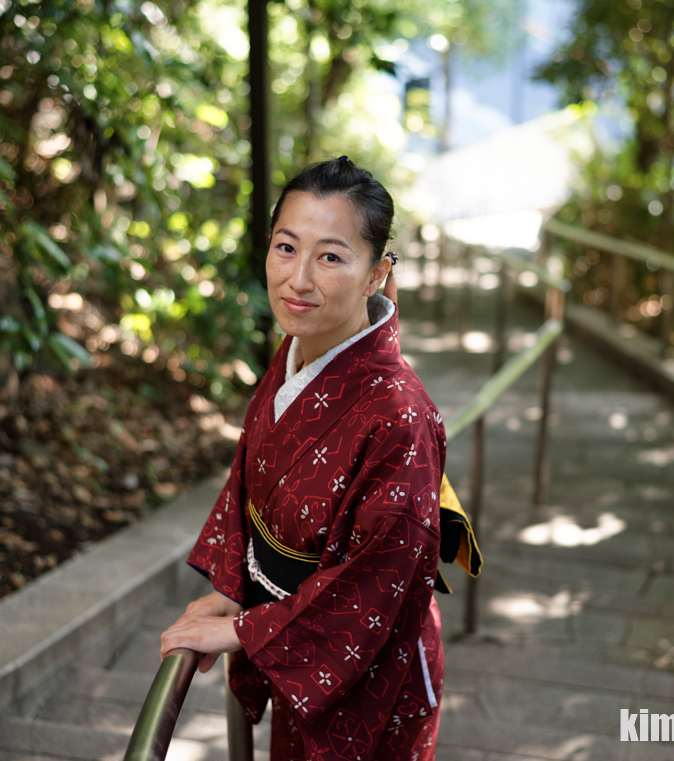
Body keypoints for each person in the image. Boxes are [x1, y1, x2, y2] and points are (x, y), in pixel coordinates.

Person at [160, 157, 475, 761]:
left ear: (377, 274)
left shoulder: (401, 415)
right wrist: (236, 585)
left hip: (372, 672)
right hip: (292, 630)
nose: (298, 279)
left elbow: (380, 578)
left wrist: (245, 630)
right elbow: (251, 483)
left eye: (330, 256)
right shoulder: (296, 352)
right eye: (286, 247)